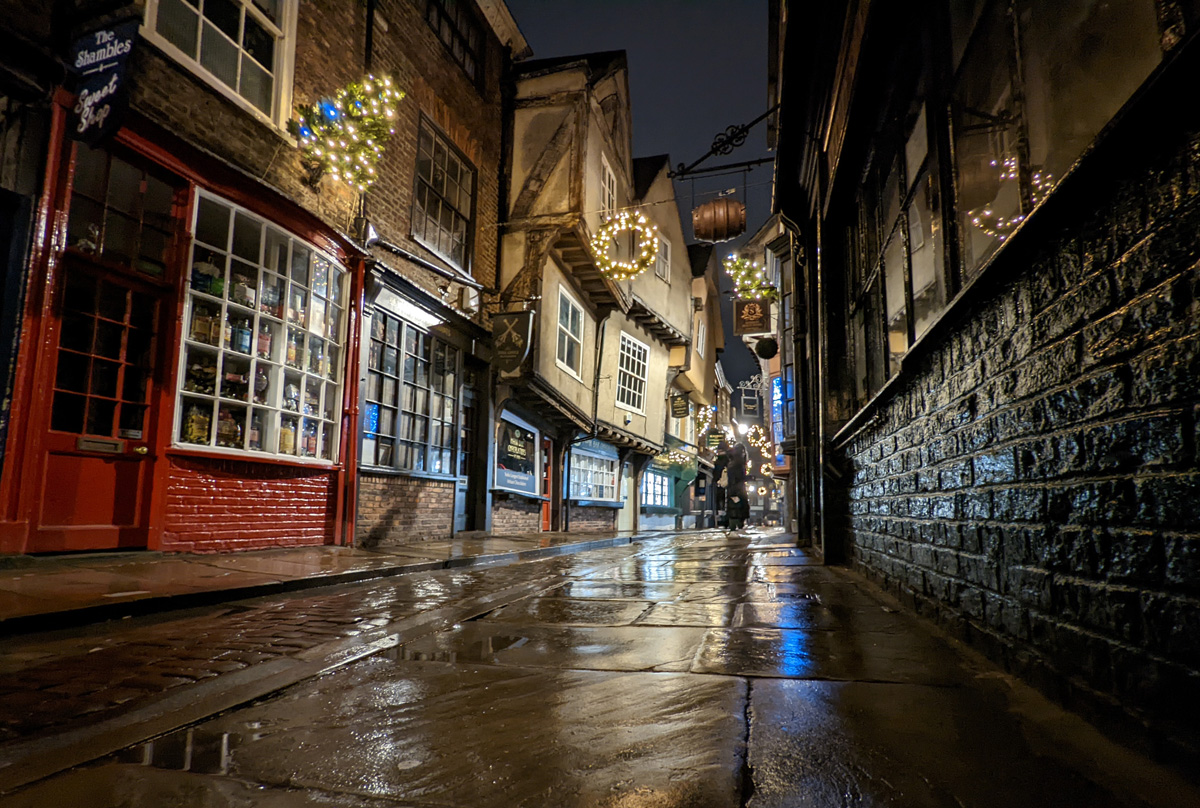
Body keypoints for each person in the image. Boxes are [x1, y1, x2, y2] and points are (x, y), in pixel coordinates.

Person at [713, 439, 750, 530]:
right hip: (736, 488)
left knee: (732, 505)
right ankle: (735, 523)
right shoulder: (737, 463)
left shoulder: (731, 460)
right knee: (738, 505)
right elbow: (738, 477)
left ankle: (731, 523)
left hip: (731, 488)